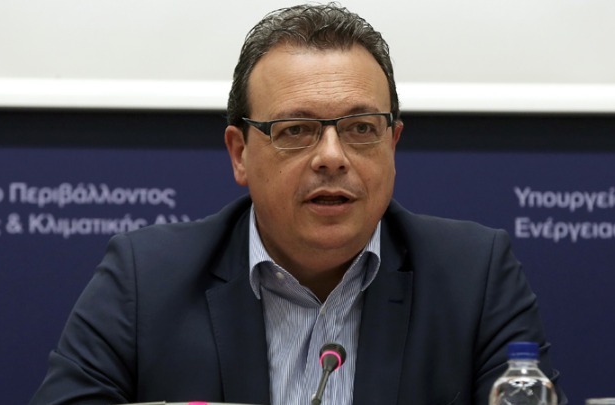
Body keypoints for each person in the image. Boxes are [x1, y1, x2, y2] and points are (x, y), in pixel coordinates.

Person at [30, 3, 565, 405]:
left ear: (392, 144)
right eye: (296, 130)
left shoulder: (474, 276)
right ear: (240, 154)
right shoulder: (145, 279)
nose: (331, 157)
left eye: (360, 128)